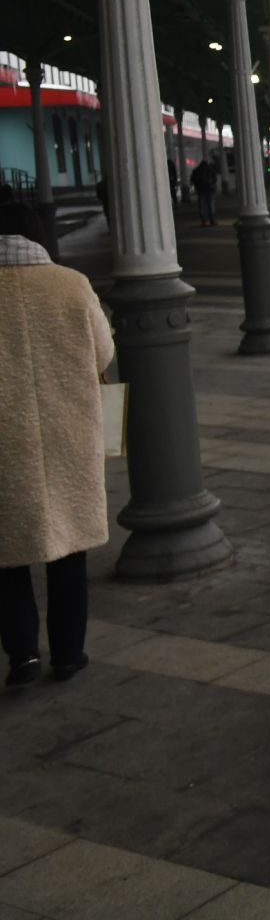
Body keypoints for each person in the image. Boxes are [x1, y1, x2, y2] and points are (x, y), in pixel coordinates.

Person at [0, 202, 114, 689]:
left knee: (5, 553)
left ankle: (22, 656)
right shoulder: (71, 284)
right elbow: (105, 351)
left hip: (7, 440)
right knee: (70, 550)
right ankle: (68, 653)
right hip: (68, 433)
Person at [189, 157, 220, 227]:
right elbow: (215, 179)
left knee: (202, 207)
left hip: (201, 191)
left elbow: (192, 180)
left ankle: (204, 221)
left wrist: (197, 185)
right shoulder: (210, 170)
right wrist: (211, 183)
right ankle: (212, 221)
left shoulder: (196, 171)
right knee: (211, 206)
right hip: (209, 190)